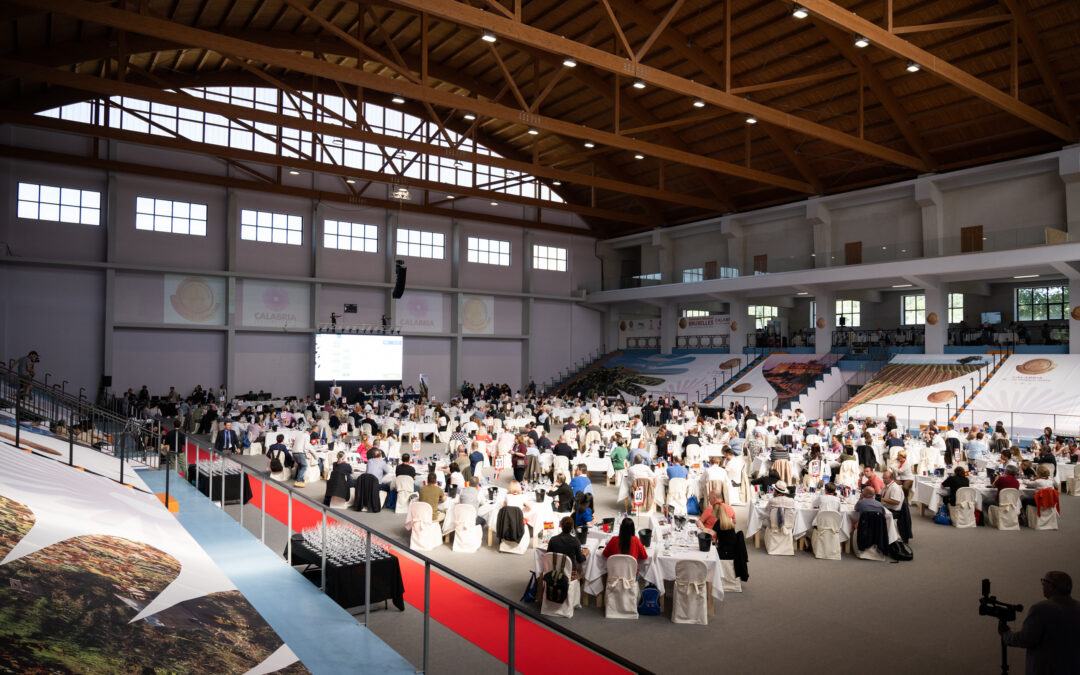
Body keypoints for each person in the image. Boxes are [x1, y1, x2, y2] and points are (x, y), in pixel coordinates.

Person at [1000, 571, 1080, 674]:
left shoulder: (1041, 608)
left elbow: (1027, 639)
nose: (1042, 586)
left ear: (1051, 585)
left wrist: (1006, 635)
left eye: (1044, 582)